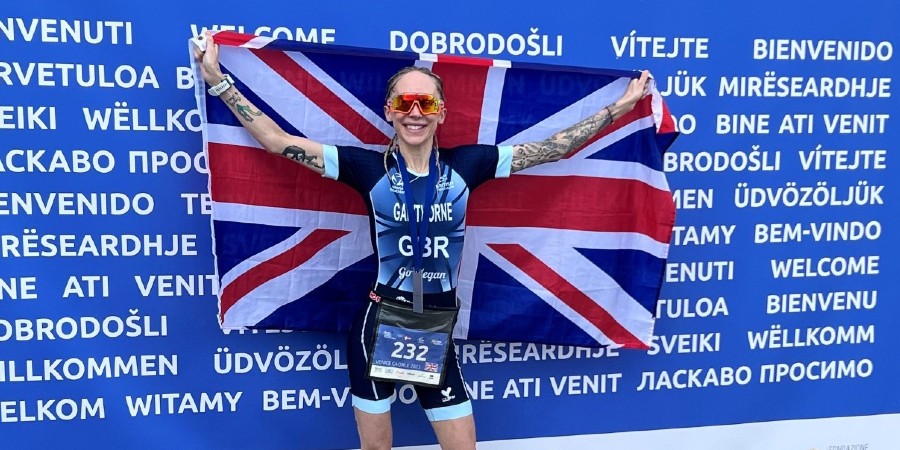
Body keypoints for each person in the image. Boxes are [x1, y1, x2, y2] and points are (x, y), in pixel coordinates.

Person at [194, 31, 649, 450]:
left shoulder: (469, 165)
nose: (416, 112)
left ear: (441, 113)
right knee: (377, 449)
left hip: (435, 329)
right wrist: (218, 81)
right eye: (406, 102)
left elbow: (556, 148)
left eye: (427, 104)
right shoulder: (365, 167)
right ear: (390, 110)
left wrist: (622, 108)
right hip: (380, 325)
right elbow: (276, 142)